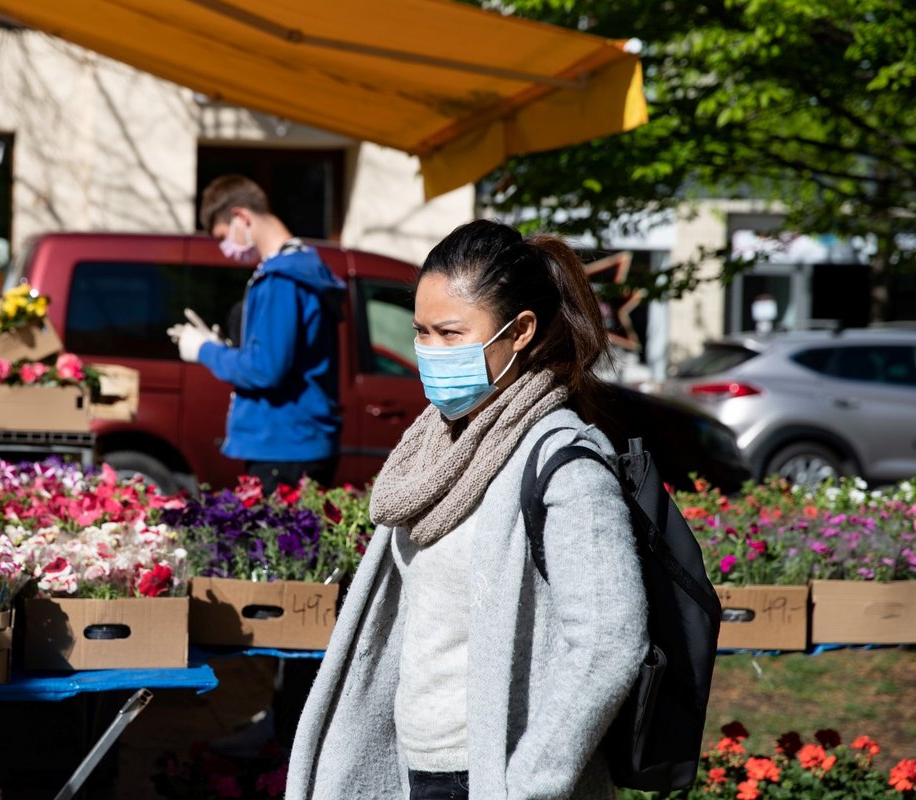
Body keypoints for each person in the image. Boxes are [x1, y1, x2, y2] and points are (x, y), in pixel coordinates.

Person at [286, 220, 649, 800]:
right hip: (416, 766)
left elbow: (610, 639)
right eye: (421, 332)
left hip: (493, 775)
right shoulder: (432, 446)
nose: (429, 352)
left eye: (451, 334)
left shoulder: (564, 461)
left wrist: (529, 781)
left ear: (520, 331)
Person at [170, 175, 345, 493]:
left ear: (241, 217)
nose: (226, 250)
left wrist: (204, 351)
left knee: (277, 542)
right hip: (297, 441)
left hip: (283, 444)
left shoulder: (282, 279)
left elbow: (263, 369)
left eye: (224, 236)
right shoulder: (303, 268)